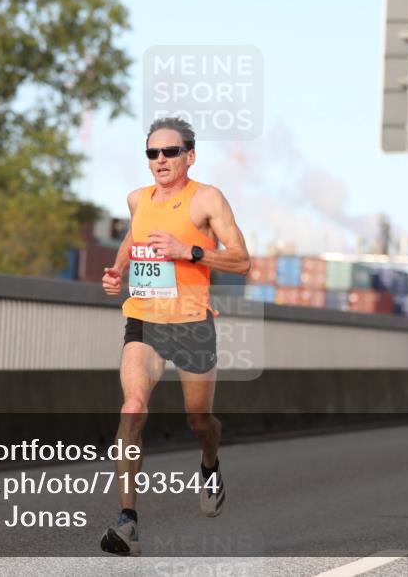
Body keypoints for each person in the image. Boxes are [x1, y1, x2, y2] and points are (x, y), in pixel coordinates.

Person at [99, 117, 251, 556]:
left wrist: (191, 251)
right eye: (152, 153)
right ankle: (128, 522)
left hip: (191, 321)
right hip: (144, 318)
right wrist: (117, 271)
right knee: (132, 407)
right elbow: (133, 236)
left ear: (190, 155)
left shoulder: (206, 199)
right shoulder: (137, 198)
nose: (160, 160)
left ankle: (209, 465)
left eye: (170, 152)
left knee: (198, 419)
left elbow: (241, 260)